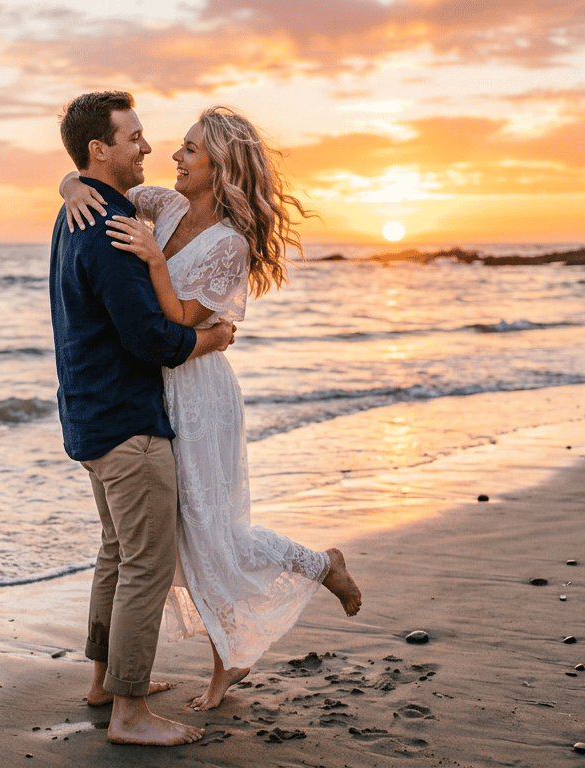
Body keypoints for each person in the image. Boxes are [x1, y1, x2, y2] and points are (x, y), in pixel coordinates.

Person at [61, 105, 363, 713]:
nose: (173, 155)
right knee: (184, 540)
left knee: (212, 534)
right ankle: (235, 645)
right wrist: (71, 184)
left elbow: (184, 320)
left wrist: (152, 261)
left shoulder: (228, 243)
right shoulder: (163, 207)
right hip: (157, 387)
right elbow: (99, 180)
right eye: (177, 146)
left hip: (198, 392)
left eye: (190, 150)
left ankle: (315, 568)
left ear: (218, 166)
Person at [50, 91, 235, 746]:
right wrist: (209, 341)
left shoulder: (78, 209)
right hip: (128, 423)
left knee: (115, 552)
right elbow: (151, 339)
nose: (148, 148)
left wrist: (71, 178)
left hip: (88, 416)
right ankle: (128, 713)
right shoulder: (109, 227)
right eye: (134, 138)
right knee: (146, 567)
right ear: (101, 149)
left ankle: (105, 683)